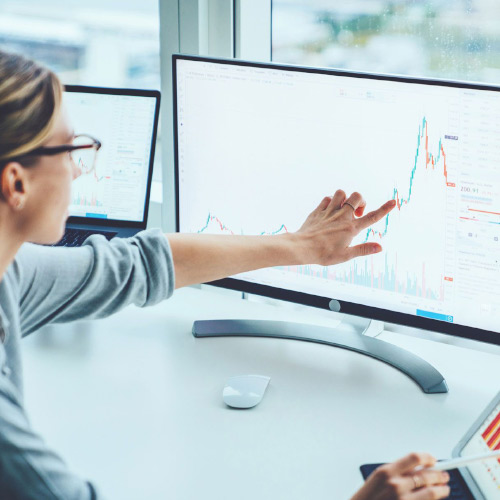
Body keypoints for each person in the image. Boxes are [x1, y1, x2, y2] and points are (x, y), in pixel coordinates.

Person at [0, 50, 450, 499]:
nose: (81, 168)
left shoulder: (9, 276)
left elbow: (137, 265)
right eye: (71, 149)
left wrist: (303, 246)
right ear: (17, 184)